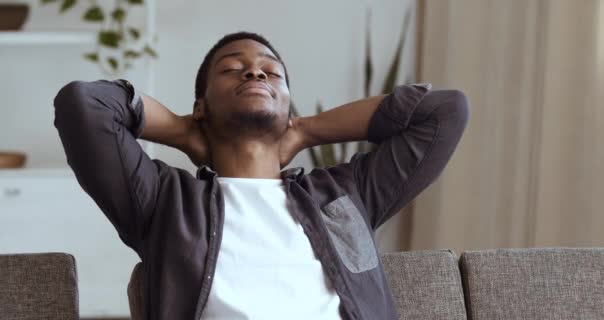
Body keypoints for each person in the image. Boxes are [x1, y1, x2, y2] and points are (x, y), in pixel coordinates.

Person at [53, 31, 469, 320]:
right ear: (201, 106)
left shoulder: (344, 194)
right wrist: (184, 132)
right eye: (232, 69)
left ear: (289, 105)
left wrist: (306, 129)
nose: (255, 73)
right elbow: (85, 106)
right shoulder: (163, 201)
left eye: (272, 72)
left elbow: (445, 112)